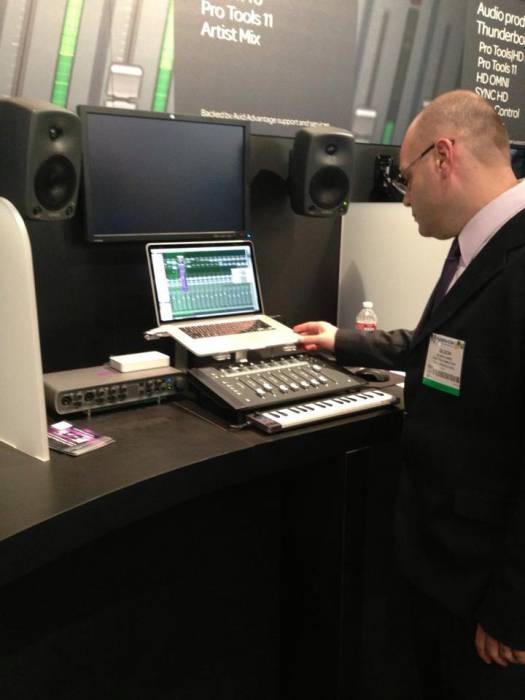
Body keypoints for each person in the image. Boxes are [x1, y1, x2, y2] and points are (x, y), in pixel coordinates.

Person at [294, 90, 525, 699]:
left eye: (406, 176)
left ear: (443, 157)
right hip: (445, 567)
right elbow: (444, 345)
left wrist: (513, 609)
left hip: (488, 598)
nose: (403, 195)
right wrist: (343, 341)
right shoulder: (478, 247)